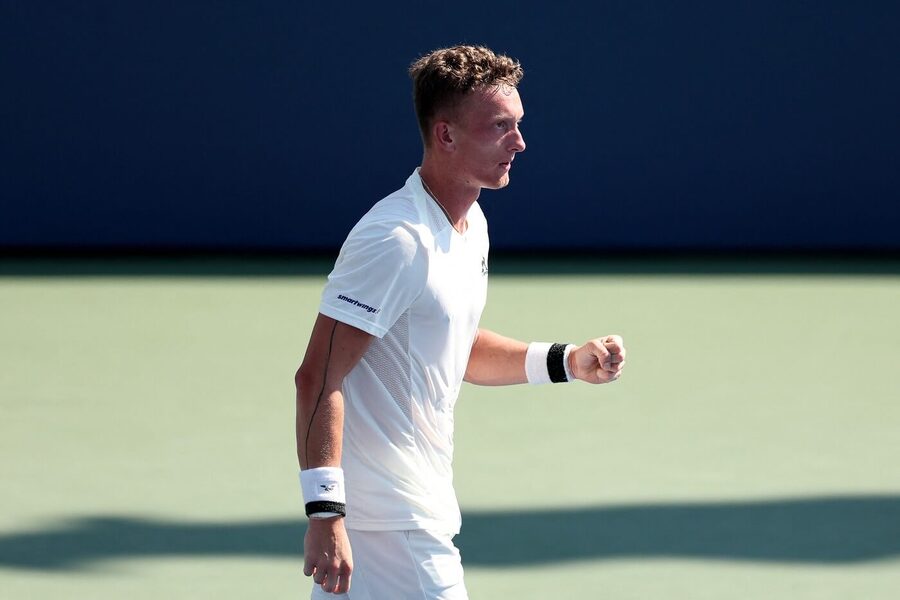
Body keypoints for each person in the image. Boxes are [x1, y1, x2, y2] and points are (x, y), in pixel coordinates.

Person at [294, 44, 626, 599]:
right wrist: (325, 514)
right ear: (445, 135)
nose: (519, 142)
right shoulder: (396, 239)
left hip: (402, 512)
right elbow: (316, 376)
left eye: (518, 125)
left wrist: (566, 361)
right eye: (500, 127)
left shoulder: (470, 223)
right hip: (394, 524)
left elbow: (453, 347)